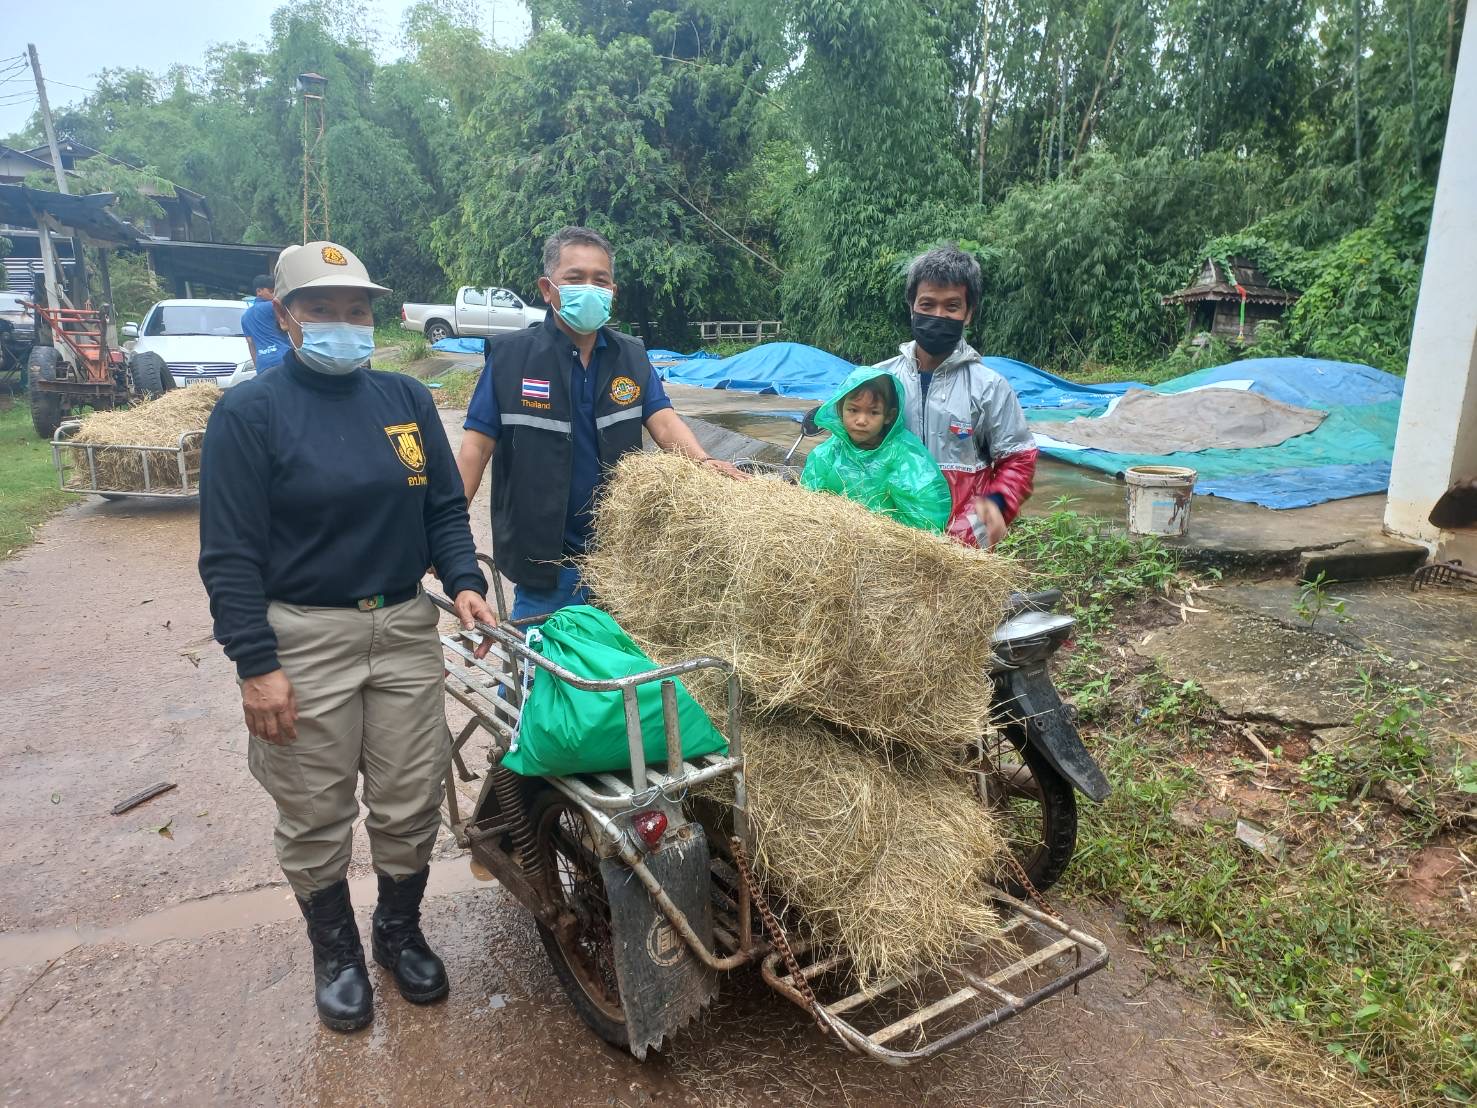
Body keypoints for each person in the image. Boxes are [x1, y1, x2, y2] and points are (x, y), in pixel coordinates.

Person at [198, 241, 496, 1033]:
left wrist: (464, 580)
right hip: (302, 636)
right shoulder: (249, 413)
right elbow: (228, 552)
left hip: (402, 627)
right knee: (313, 807)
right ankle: (334, 953)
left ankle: (397, 933)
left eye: (356, 310)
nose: (343, 323)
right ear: (284, 316)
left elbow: (440, 508)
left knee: (408, 797)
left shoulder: (402, 398)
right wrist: (255, 664)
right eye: (322, 309)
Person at [456, 226, 743, 621]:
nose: (589, 288)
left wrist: (704, 462)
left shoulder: (631, 356)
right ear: (547, 288)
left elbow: (662, 419)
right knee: (540, 671)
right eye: (575, 279)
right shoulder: (511, 359)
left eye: (600, 280)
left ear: (613, 292)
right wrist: (449, 536)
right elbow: (475, 448)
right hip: (545, 566)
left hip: (618, 563)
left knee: (615, 674)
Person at [870, 245, 1037, 548]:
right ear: (912, 307)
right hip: (887, 545)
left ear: (968, 313)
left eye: (951, 307)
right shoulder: (878, 380)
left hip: (962, 556)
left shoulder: (989, 388)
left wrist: (979, 528)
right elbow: (851, 451)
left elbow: (1018, 461)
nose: (938, 315)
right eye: (928, 304)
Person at [800, 367, 951, 532]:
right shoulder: (829, 452)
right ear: (840, 410)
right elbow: (808, 502)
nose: (861, 420)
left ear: (889, 416)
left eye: (873, 412)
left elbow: (927, 517)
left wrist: (874, 529)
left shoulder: (904, 455)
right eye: (853, 410)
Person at [240, 271, 292, 371]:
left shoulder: (245, 316)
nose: (275, 295)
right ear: (259, 291)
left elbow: (251, 343)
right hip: (283, 357)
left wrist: (257, 367)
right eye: (272, 291)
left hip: (263, 362)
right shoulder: (274, 306)